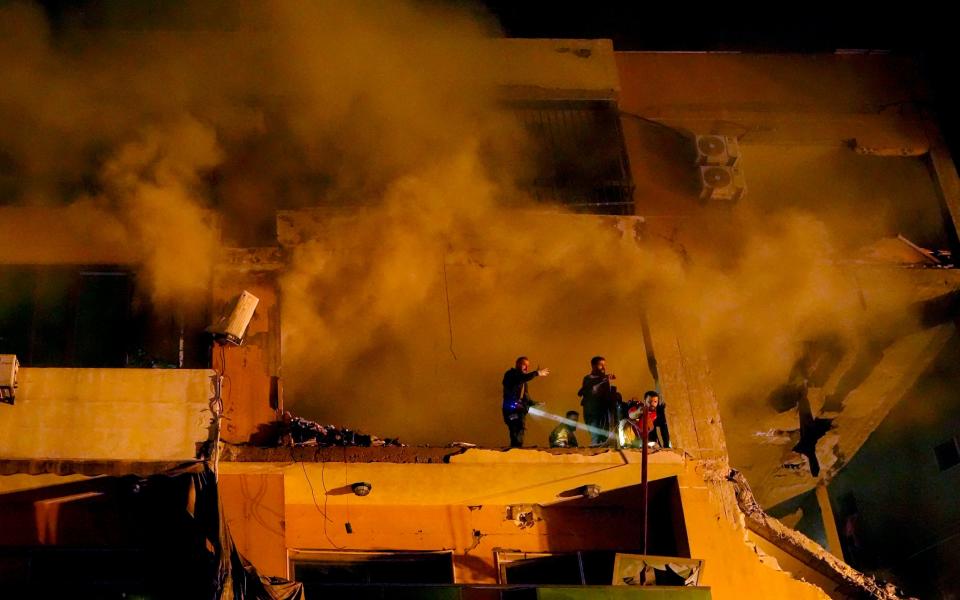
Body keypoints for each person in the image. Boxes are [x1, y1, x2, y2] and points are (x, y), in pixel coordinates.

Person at [502, 356, 549, 447]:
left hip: (519, 410)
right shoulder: (510, 375)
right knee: (515, 427)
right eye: (524, 365)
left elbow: (525, 397)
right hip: (510, 409)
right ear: (517, 364)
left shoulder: (523, 381)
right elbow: (519, 378)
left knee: (520, 428)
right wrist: (536, 373)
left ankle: (517, 448)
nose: (526, 368)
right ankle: (515, 449)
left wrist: (534, 403)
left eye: (528, 366)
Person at [578, 356, 617, 445]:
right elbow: (592, 388)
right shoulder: (588, 378)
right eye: (600, 365)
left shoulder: (604, 379)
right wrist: (604, 379)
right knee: (595, 437)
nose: (603, 367)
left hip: (604, 413)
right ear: (593, 366)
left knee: (605, 438)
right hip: (592, 412)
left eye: (604, 365)